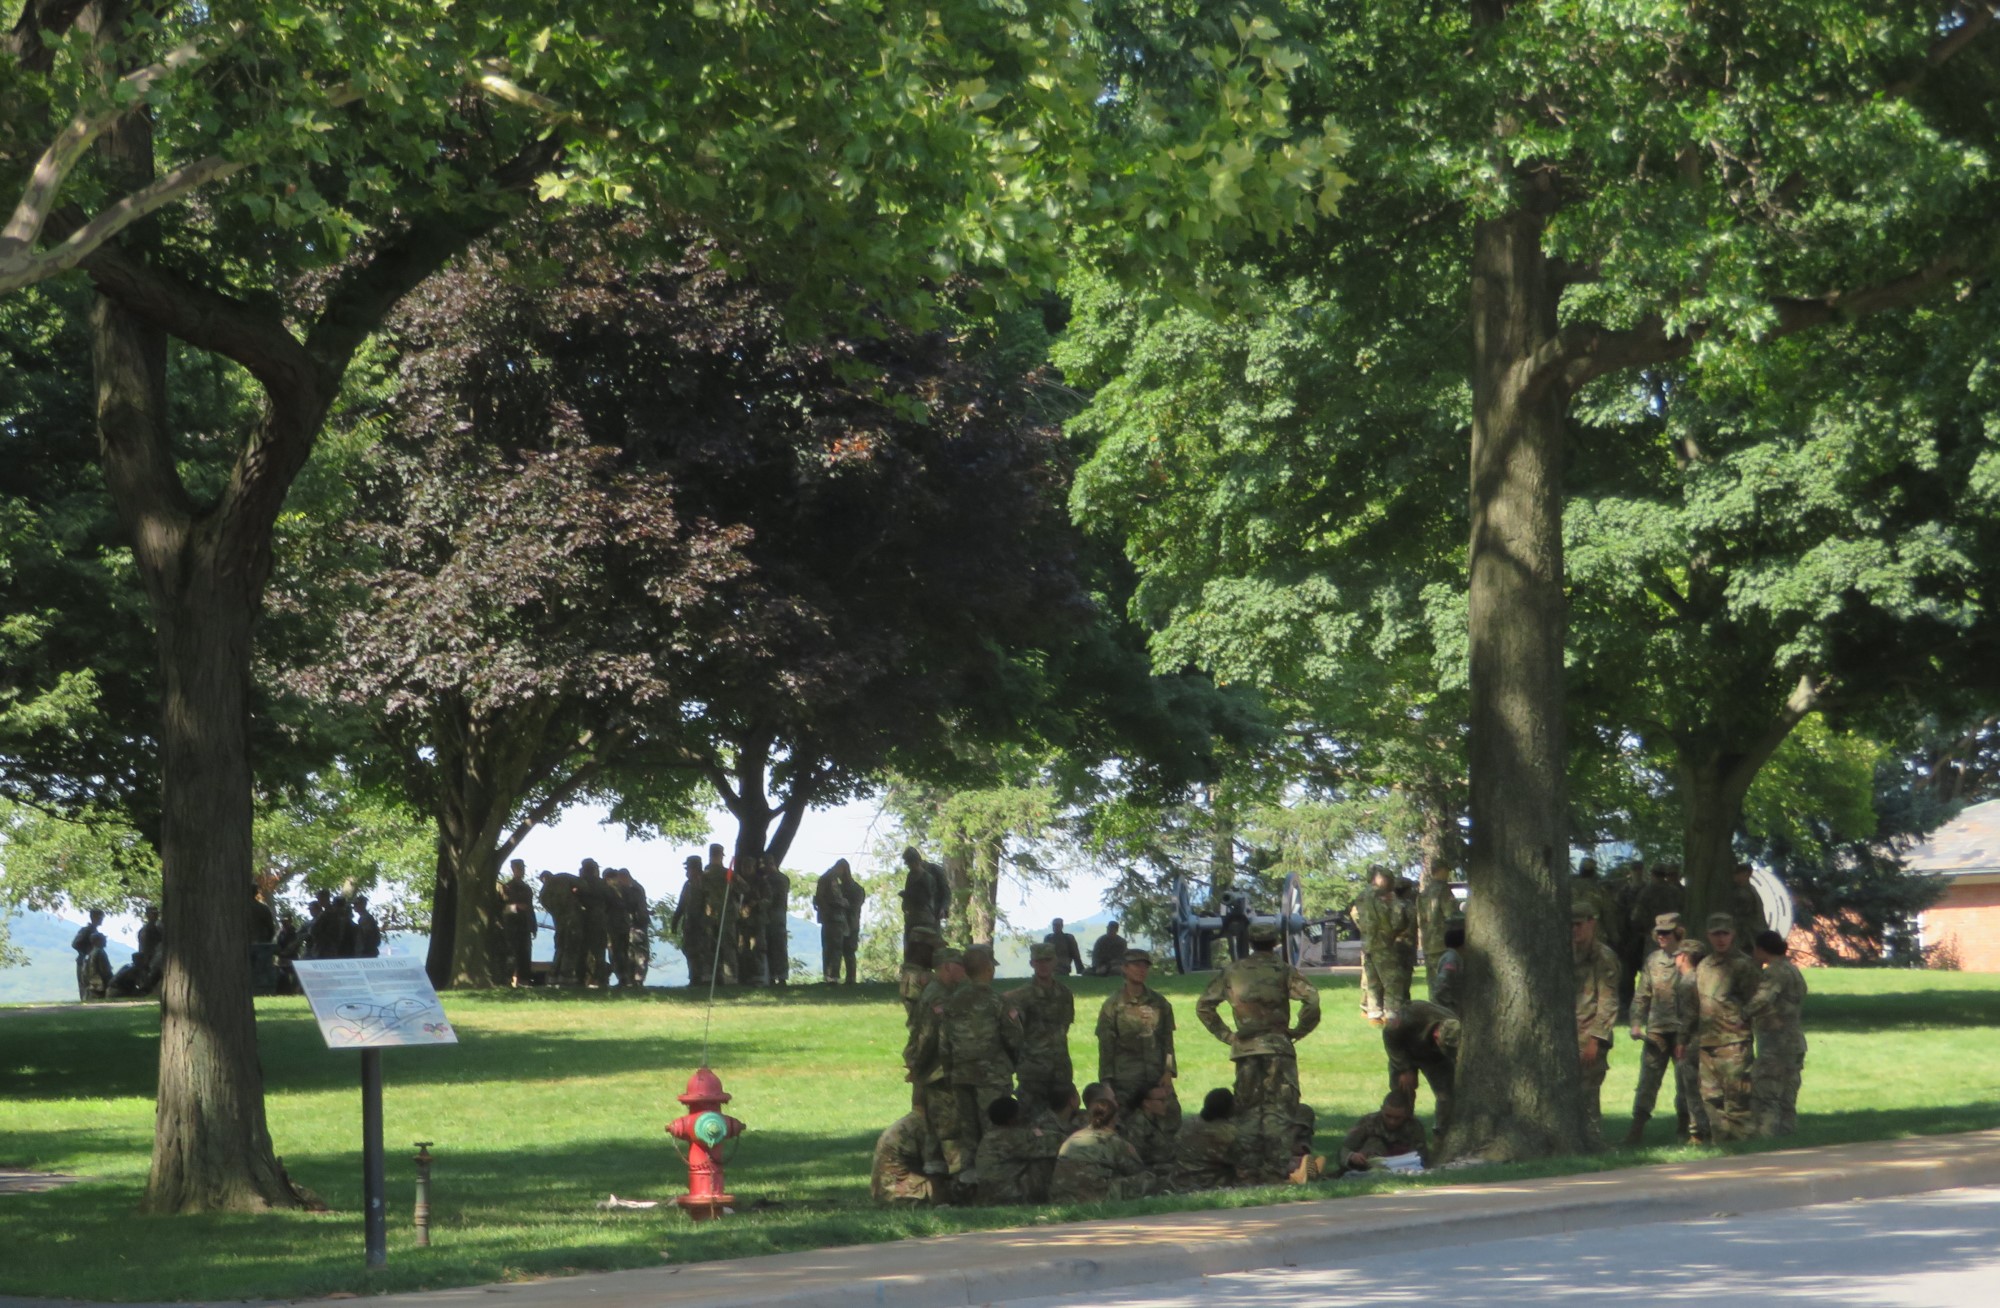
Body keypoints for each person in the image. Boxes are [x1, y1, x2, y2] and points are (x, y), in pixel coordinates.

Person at [1194, 919, 1322, 1176]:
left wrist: (1227, 1035)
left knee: (1248, 1112)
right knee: (1280, 1111)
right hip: (1278, 1048)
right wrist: (1299, 1030)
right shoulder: (1283, 971)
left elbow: (1204, 1006)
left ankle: (1248, 1169)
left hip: (1246, 1050)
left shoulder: (1233, 972)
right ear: (1275, 943)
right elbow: (1312, 999)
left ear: (1251, 942)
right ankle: (1277, 1168)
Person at [939, 944, 1023, 1184]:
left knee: (969, 1132)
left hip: (961, 1075)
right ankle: (994, 1180)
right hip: (992, 1077)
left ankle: (968, 1181)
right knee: (994, 1129)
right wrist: (1011, 1064)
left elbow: (944, 1043)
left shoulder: (952, 1002)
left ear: (965, 970)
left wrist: (950, 1071)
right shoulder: (997, 1002)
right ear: (988, 969)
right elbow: (1014, 1038)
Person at [1625, 912, 1692, 1146]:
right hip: (1657, 1030)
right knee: (1647, 1081)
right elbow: (1642, 994)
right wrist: (1636, 1023)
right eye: (1659, 933)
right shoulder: (1653, 960)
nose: (1662, 936)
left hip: (1683, 1031)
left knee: (1685, 1081)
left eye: (1666, 933)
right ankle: (1636, 1130)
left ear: (1678, 933)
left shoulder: (1690, 958)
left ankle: (1685, 1128)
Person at [1694, 913, 1760, 1142]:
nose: (1720, 939)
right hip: (1707, 1043)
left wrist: (1743, 1017)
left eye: (1725, 933)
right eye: (1716, 934)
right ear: (1708, 936)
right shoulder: (1704, 965)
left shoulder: (1743, 965)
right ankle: (1721, 1145)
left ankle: (1743, 1146)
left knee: (1737, 1098)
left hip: (1734, 1042)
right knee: (1710, 1098)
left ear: (1733, 935)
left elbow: (1756, 998)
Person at [905, 945, 968, 1184]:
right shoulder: (937, 995)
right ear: (948, 967)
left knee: (937, 1126)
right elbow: (927, 1036)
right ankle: (954, 1180)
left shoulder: (946, 991)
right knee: (947, 1128)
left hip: (938, 1070)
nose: (964, 970)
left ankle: (938, 1179)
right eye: (960, 965)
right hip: (938, 1072)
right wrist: (917, 1066)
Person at [1096, 948, 1178, 1125]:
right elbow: (1106, 1047)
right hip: (1126, 1080)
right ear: (1124, 968)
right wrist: (1106, 1083)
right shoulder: (1113, 1006)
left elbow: (1167, 1041)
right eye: (1136, 965)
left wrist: (1168, 1071)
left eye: (1145, 966)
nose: (1141, 970)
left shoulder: (1159, 1003)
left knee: (1170, 1120)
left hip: (1156, 1076)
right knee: (1125, 1124)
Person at [1749, 928, 1808, 1137]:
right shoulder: (1793, 970)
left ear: (1762, 949)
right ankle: (1787, 1136)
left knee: (1767, 1093)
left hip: (1776, 1043)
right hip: (1795, 1041)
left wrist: (1741, 1015)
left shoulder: (1774, 972)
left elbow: (1762, 999)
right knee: (1787, 1096)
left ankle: (1766, 1137)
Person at [1573, 902, 1621, 1148]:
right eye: (1570, 925)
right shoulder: (1566, 953)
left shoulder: (1603, 957)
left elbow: (1608, 1002)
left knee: (1587, 1093)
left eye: (1579, 924)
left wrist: (1595, 1040)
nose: (1574, 930)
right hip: (1568, 1034)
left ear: (1592, 923)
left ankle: (1593, 1143)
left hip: (1590, 1035)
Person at [1006, 942, 1075, 1111]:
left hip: (1061, 1069)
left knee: (1062, 1116)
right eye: (1039, 961)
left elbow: (1065, 1026)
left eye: (1047, 960)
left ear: (1055, 962)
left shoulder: (1065, 994)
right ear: (1032, 963)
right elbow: (1013, 1034)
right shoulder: (1020, 996)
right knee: (1031, 1118)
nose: (1043, 965)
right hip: (1033, 1071)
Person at [1381, 1000, 1458, 1143]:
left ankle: (1441, 1135)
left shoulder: (1455, 1024)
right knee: (1402, 1093)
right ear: (1436, 1035)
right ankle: (1399, 1134)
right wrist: (1404, 1068)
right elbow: (1389, 1034)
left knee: (1447, 1096)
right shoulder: (1411, 1015)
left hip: (1435, 1058)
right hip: (1404, 1050)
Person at [1050, 1096, 1154, 1202]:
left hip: (1061, 1197)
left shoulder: (1074, 1137)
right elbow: (1136, 1170)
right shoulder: (1114, 1141)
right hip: (1093, 1197)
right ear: (1115, 1119)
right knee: (1148, 1178)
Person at [1351, 866, 1415, 1023]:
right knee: (1393, 981)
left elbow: (1355, 915)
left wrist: (1366, 930)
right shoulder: (1383, 896)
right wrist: (1394, 931)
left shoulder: (1361, 896)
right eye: (1388, 879)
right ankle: (1393, 1014)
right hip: (1384, 944)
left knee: (1373, 982)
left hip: (1368, 944)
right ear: (1379, 878)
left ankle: (1374, 1014)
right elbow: (1396, 920)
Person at [974, 1095, 1059, 1204]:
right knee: (1043, 1161)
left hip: (988, 1194)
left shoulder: (990, 1135)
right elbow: (1051, 1144)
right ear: (1012, 1119)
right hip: (1007, 1194)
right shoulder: (1012, 1137)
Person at [1672, 939, 1713, 1144]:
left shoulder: (1687, 982)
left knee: (1691, 1087)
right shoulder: (1703, 978)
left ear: (1684, 957)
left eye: (1677, 955)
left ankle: (1698, 1130)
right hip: (1708, 1037)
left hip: (1693, 1040)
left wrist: (1681, 1041)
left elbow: (1688, 1015)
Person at [1171, 1088, 1245, 1192]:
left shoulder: (1188, 1123)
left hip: (1180, 1181)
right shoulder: (1226, 1133)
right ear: (1229, 1108)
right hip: (1209, 1184)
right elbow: (1240, 1160)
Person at [1339, 1089, 1427, 1175]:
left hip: (1403, 1167)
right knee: (1375, 1142)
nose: (1392, 1122)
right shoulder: (1368, 1122)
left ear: (1407, 1114)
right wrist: (1351, 1156)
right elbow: (1345, 1149)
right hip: (1368, 1165)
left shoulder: (1414, 1126)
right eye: (1388, 1116)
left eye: (1398, 1118)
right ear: (1382, 1109)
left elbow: (1420, 1154)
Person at [871, 1093, 938, 1205]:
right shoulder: (923, 1126)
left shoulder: (910, 1121)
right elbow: (935, 1167)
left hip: (883, 1191)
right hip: (902, 1195)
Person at [813, 858, 864, 984]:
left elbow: (854, 907)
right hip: (838, 923)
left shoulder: (857, 889)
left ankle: (850, 979)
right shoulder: (838, 887)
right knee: (835, 950)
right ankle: (833, 977)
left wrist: (841, 905)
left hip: (851, 923)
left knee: (849, 952)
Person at [699, 844, 740, 985]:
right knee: (726, 946)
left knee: (711, 946)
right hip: (723, 914)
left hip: (712, 914)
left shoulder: (704, 875)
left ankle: (710, 976)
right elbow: (744, 887)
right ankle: (728, 978)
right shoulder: (726, 874)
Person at [1118, 1082, 1179, 1170]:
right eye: (1161, 1100)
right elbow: (1133, 1161)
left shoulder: (1156, 1118)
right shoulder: (1137, 1125)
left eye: (1166, 1099)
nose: (1166, 1104)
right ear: (1146, 1103)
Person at [898, 845, 951, 945]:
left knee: (932, 944)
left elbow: (945, 891)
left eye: (910, 863)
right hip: (913, 918)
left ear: (916, 861)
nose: (909, 867)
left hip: (932, 915)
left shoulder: (934, 870)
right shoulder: (911, 875)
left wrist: (943, 908)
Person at [539, 868, 581, 984]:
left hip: (559, 923)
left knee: (560, 947)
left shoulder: (543, 893)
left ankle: (554, 975)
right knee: (569, 946)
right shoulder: (563, 878)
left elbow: (549, 907)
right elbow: (583, 885)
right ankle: (565, 975)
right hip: (571, 920)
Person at [573, 859, 611, 986]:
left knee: (581, 951)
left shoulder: (578, 883)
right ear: (594, 869)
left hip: (582, 920)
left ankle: (579, 979)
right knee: (599, 952)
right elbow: (610, 900)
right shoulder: (601, 884)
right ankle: (601, 980)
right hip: (598, 920)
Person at [1418, 869, 1455, 996]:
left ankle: (1434, 1005)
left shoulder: (1423, 893)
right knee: (1446, 982)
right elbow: (1451, 915)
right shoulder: (1443, 890)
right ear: (1440, 871)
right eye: (1446, 870)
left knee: (1433, 982)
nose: (1448, 873)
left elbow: (1420, 919)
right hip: (1443, 943)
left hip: (1428, 943)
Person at [671, 855, 708, 982]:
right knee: (689, 950)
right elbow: (681, 904)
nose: (687, 871)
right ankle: (694, 977)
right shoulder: (687, 885)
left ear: (696, 868)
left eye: (689, 868)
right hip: (689, 925)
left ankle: (704, 977)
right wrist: (675, 921)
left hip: (703, 925)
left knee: (702, 952)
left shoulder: (705, 882)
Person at [501, 859, 538, 986]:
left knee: (525, 954)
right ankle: (507, 980)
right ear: (513, 869)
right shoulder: (506, 888)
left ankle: (524, 981)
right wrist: (516, 907)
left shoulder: (527, 888)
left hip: (525, 926)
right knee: (511, 954)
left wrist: (534, 926)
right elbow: (502, 909)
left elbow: (530, 908)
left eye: (523, 868)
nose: (522, 871)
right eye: (519, 868)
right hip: (512, 927)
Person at [899, 926, 942, 1029]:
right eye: (933, 950)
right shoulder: (918, 976)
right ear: (923, 950)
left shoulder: (910, 973)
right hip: (926, 1030)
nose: (935, 954)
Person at [756, 855, 790, 985]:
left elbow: (770, 898)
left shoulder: (773, 880)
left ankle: (778, 976)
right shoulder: (783, 878)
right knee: (775, 946)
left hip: (774, 915)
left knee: (776, 945)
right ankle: (777, 976)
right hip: (777, 915)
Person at [619, 869, 651, 986]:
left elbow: (638, 909)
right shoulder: (629, 888)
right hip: (630, 925)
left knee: (640, 954)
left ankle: (638, 979)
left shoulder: (635, 889)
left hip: (637, 926)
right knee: (630, 955)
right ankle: (630, 979)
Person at [602, 866, 634, 985]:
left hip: (612, 925)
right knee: (624, 951)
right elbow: (631, 905)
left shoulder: (607, 889)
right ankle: (625, 976)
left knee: (615, 952)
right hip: (625, 924)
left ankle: (621, 976)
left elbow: (604, 907)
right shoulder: (625, 888)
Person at [73, 910, 111, 1000]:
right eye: (100, 917)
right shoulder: (86, 930)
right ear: (94, 917)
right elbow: (75, 944)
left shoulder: (94, 931)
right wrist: (88, 952)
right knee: (85, 983)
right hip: (84, 962)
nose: (101, 920)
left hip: (92, 962)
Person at [1728, 861, 1770, 938]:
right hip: (1757, 932)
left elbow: (1740, 915)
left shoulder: (1743, 893)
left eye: (1737, 873)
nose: (1734, 876)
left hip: (1752, 933)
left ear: (1746, 874)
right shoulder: (1750, 889)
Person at [1431, 924, 1464, 1011]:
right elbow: (1444, 980)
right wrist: (1448, 1003)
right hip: (1448, 1007)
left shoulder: (1452, 956)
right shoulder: (1451, 959)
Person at [351, 894, 381, 959]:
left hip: (366, 953)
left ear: (363, 905)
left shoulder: (366, 918)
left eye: (356, 904)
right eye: (354, 904)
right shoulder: (364, 918)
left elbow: (366, 937)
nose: (354, 906)